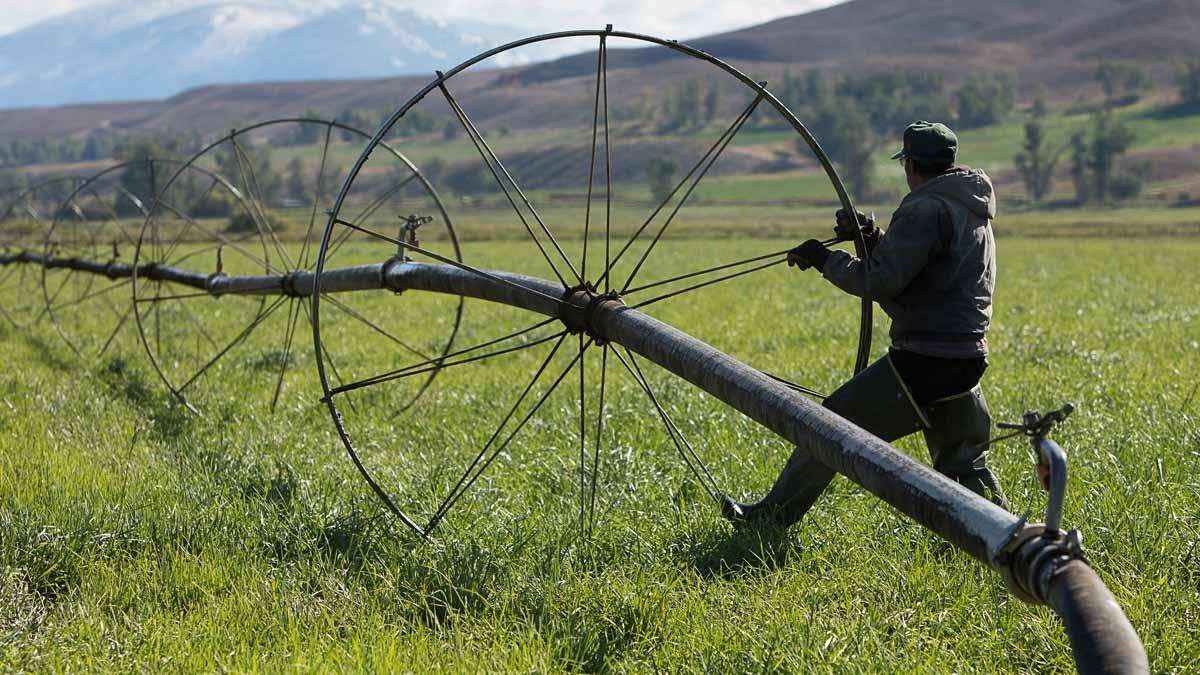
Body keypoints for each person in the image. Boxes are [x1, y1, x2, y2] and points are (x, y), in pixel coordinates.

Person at [723, 120, 1009, 528]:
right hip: (966, 358)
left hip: (925, 360)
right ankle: (1010, 543)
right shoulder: (969, 204)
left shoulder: (925, 207)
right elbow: (921, 277)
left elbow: (880, 281)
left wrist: (823, 259)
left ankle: (770, 520)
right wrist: (871, 235)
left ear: (911, 163)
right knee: (964, 466)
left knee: (828, 428)